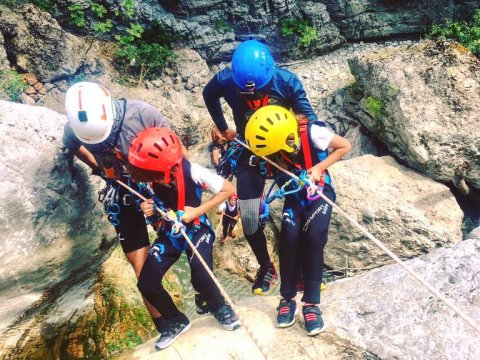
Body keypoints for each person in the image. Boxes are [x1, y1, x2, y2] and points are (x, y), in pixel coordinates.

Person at [203, 39, 321, 295]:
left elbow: (309, 120)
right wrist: (223, 128)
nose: (254, 95)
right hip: (251, 149)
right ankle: (266, 266)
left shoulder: (286, 82)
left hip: (284, 149)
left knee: (299, 210)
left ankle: (300, 269)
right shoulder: (226, 81)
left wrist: (298, 149)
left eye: (259, 91)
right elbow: (208, 95)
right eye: (248, 94)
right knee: (248, 215)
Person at [62, 81, 170, 332]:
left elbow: (177, 152)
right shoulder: (77, 128)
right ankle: (165, 323)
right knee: (138, 261)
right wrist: (98, 167)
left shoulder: (143, 114)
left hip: (157, 178)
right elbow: (72, 143)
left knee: (185, 234)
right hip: (121, 188)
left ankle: (206, 296)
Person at [128, 127, 240, 350]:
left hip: (197, 228)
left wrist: (197, 211)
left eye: (156, 175)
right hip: (172, 232)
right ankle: (176, 320)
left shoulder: (193, 171)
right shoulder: (149, 177)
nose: (153, 180)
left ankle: (220, 307)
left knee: (201, 275)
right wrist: (147, 207)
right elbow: (150, 201)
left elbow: (229, 189)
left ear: (171, 167)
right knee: (147, 283)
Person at [245, 105, 351, 336]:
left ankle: (311, 304)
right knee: (289, 239)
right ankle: (287, 298)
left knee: (314, 237)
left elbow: (344, 146)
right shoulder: (273, 147)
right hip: (295, 194)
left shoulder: (312, 132)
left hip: (319, 191)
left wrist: (318, 168)